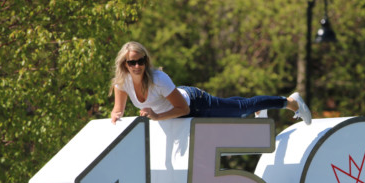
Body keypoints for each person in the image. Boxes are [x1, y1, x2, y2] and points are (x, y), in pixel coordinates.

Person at [109, 41, 312, 125]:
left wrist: (157, 116)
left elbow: (183, 107)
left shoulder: (159, 80)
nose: (137, 66)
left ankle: (290, 102)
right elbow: (118, 109)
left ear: (146, 61)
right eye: (132, 62)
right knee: (234, 106)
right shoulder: (121, 83)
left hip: (194, 102)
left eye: (141, 61)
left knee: (241, 110)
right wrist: (116, 116)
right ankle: (258, 107)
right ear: (125, 64)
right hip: (179, 112)